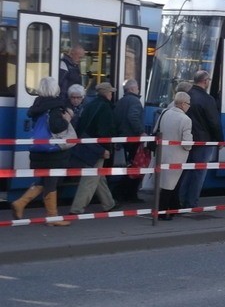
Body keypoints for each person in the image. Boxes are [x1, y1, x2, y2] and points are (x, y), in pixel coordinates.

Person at [12, 77, 74, 226]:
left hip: (38, 150)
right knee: (51, 182)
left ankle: (20, 203)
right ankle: (52, 217)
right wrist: (67, 118)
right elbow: (56, 127)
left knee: (42, 180)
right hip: (52, 152)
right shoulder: (56, 106)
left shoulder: (37, 105)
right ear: (55, 89)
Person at [69, 82, 118, 215]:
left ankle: (109, 203)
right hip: (97, 147)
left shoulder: (90, 105)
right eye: (111, 92)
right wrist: (105, 149)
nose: (112, 94)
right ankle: (77, 208)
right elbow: (105, 131)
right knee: (90, 179)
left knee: (99, 176)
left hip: (87, 144)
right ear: (107, 93)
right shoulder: (105, 108)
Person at [179, 70, 223, 208]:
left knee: (186, 171)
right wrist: (220, 140)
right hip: (203, 141)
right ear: (205, 81)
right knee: (199, 173)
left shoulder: (187, 96)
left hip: (187, 140)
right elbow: (214, 122)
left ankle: (179, 200)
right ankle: (191, 203)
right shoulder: (207, 99)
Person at [156, 91, 193, 220]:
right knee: (169, 186)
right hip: (177, 156)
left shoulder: (165, 113)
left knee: (169, 183)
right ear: (183, 104)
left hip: (163, 153)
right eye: (188, 104)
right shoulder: (185, 119)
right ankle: (162, 212)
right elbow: (187, 144)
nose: (189, 106)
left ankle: (174, 208)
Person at [112, 78, 146, 203]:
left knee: (128, 165)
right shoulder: (135, 102)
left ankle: (120, 192)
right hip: (133, 139)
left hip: (123, 139)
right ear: (132, 89)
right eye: (137, 87)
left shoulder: (120, 102)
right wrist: (141, 132)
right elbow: (133, 117)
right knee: (136, 166)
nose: (138, 89)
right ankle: (129, 194)